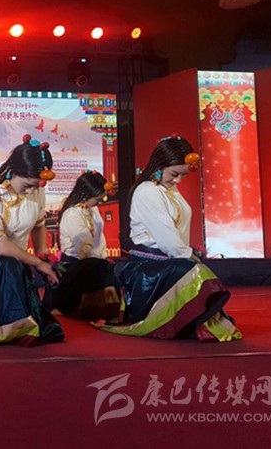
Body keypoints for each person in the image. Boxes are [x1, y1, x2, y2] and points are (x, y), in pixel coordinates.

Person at [97, 135, 241, 341]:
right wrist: (187, 255)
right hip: (149, 266)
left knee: (194, 270)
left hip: (169, 259)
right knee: (194, 271)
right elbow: (167, 236)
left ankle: (194, 324)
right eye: (174, 174)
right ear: (160, 165)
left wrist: (186, 254)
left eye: (182, 175)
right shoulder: (147, 191)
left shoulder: (169, 188)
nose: (178, 180)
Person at [0, 135, 64, 346]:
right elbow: (0, 245)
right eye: (27, 186)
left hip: (15, 262)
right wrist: (38, 263)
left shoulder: (36, 191)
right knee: (6, 265)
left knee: (51, 330)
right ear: (13, 172)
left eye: (36, 186)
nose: (32, 191)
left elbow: (39, 224)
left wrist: (43, 254)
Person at [43, 170, 120, 320]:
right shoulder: (72, 213)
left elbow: (99, 238)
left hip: (93, 261)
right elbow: (84, 248)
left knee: (104, 267)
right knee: (99, 267)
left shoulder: (92, 209)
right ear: (86, 195)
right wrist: (99, 260)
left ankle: (107, 313)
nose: (100, 202)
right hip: (76, 264)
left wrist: (103, 256)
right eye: (97, 199)